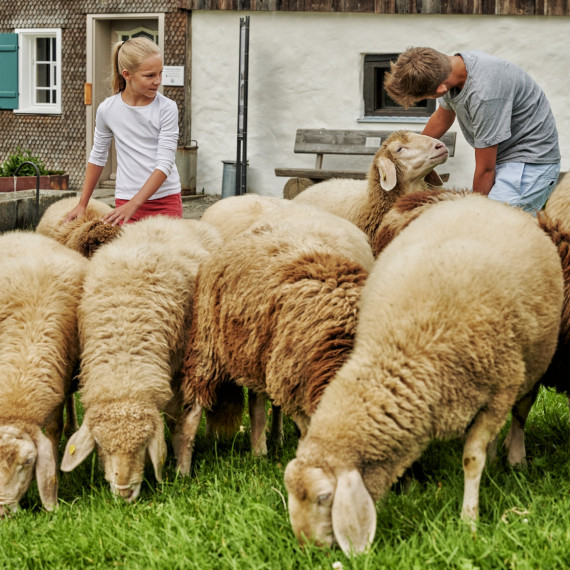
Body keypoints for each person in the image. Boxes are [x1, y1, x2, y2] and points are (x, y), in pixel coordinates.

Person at [384, 47, 561, 214]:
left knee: (490, 227)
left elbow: (485, 169)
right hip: (504, 158)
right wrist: (417, 150)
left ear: (440, 89)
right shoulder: (449, 68)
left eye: (427, 97)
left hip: (529, 164)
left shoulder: (484, 95)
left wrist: (474, 214)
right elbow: (442, 117)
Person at [65, 37, 182, 225]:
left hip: (165, 201)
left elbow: (165, 163)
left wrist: (134, 204)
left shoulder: (167, 108)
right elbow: (97, 156)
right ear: (127, 74)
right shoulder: (107, 109)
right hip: (125, 201)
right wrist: (82, 204)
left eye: (160, 73)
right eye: (150, 76)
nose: (158, 81)